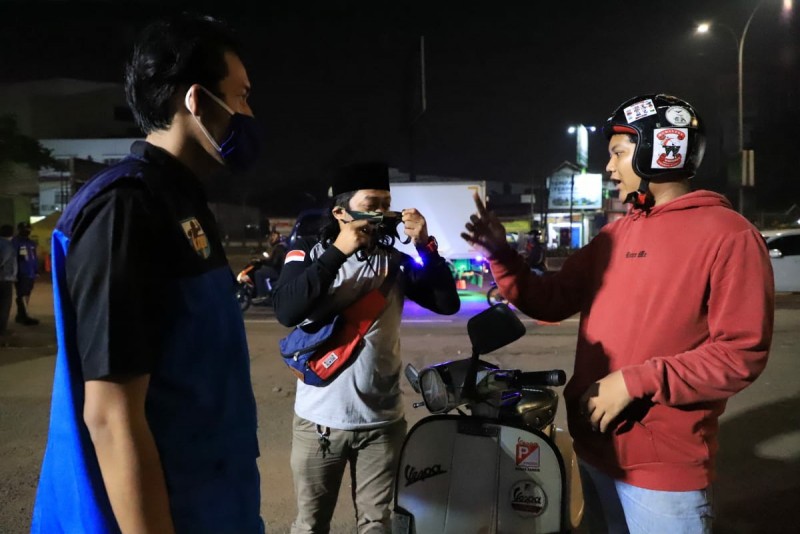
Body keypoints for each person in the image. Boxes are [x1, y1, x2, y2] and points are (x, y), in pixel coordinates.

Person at [462, 94, 774, 533]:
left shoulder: (729, 236)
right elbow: (551, 299)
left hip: (664, 474)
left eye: (618, 153)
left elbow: (740, 353)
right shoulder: (614, 235)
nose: (609, 167)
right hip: (595, 451)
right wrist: (501, 255)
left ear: (660, 151)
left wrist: (635, 380)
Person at [32, 12, 265, 534]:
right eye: (242, 96)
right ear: (198, 101)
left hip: (215, 507)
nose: (250, 113)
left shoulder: (182, 202)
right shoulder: (126, 210)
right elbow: (111, 416)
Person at [273, 161, 460, 533]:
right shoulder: (308, 251)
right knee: (310, 525)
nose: (382, 214)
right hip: (319, 423)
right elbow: (287, 309)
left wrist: (426, 247)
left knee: (376, 525)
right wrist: (338, 251)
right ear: (341, 212)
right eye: (372, 205)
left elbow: (446, 303)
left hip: (382, 424)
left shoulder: (395, 262)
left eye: (387, 205)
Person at [12, 220, 39, 325]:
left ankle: (21, 315)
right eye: (24, 229)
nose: (27, 231)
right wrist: (14, 273)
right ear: (19, 230)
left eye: (28, 229)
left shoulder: (31, 243)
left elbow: (34, 258)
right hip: (21, 272)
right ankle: (24, 316)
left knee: (27, 293)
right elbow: (13, 258)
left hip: (30, 272)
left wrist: (36, 270)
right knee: (22, 294)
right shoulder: (15, 242)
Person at [253, 229, 287, 302]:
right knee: (263, 269)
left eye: (273, 237)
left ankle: (262, 295)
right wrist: (263, 261)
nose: (271, 239)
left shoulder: (279, 248)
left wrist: (262, 262)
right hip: (280, 269)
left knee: (258, 273)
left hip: (278, 271)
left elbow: (274, 263)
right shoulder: (280, 247)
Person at [0, 224, 16, 339]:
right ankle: (2, 330)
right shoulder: (7, 245)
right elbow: (4, 260)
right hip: (4, 278)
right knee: (4, 305)